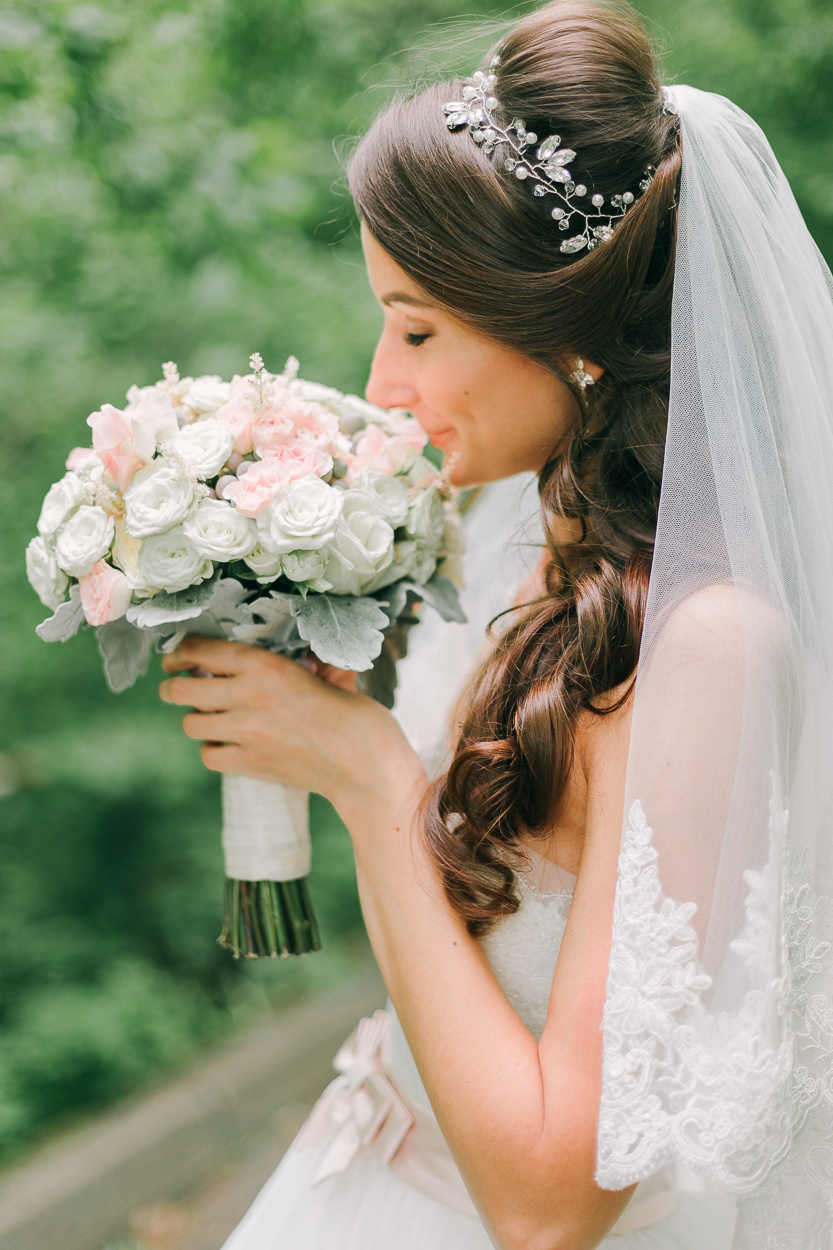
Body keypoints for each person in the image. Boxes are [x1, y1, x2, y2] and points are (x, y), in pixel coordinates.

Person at [159, 1, 833, 1246]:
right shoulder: (521, 552)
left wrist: (369, 781)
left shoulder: (707, 643)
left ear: (570, 341)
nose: (381, 382)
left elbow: (548, 1204)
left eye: (416, 326)